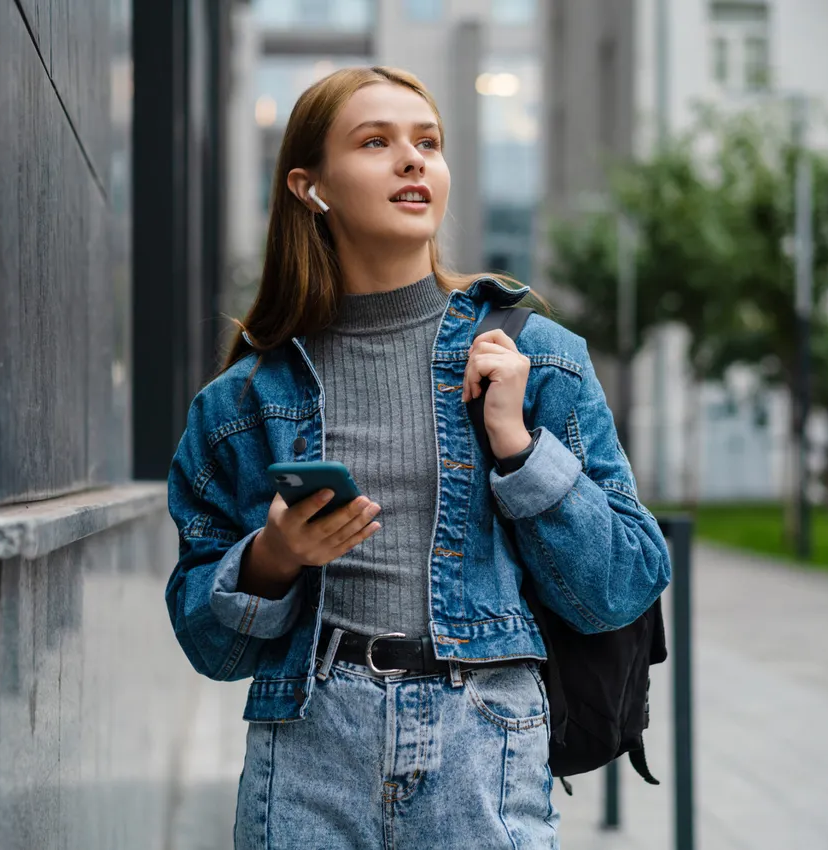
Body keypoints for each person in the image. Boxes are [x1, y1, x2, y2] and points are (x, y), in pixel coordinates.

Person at [165, 66, 670, 849]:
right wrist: (272, 557)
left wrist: (519, 448)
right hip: (309, 748)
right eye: (376, 142)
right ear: (311, 187)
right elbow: (211, 645)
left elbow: (622, 585)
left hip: (484, 743)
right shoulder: (242, 405)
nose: (413, 160)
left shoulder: (538, 359)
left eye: (427, 143)